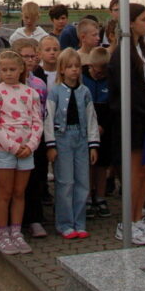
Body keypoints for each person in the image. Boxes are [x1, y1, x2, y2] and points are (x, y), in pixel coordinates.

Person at [108, 3, 145, 246]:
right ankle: (127, 222)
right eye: (143, 19)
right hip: (134, 118)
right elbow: (126, 91)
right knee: (133, 171)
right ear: (130, 22)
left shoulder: (143, 49)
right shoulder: (122, 53)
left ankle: (138, 217)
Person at [0, 50, 43, 255]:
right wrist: (12, 146)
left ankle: (17, 230)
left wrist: (31, 145)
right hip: (4, 150)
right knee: (5, 193)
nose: (8, 73)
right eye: (4, 70)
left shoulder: (31, 93)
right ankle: (2, 233)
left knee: (20, 193)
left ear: (21, 70)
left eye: (12, 69)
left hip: (27, 150)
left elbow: (37, 121)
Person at [45, 49, 100, 239]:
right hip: (63, 138)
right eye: (69, 67)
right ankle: (64, 223)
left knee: (82, 182)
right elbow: (49, 118)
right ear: (61, 70)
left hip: (81, 138)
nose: (74, 70)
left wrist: (93, 144)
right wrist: (50, 145)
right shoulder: (55, 92)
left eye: (77, 66)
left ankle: (80, 221)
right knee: (65, 182)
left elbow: (91, 118)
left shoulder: (85, 92)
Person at [12, 38, 48, 238]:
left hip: (34, 140)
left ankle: (34, 219)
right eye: (25, 56)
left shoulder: (39, 84)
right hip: (11, 142)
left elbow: (42, 113)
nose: (30, 60)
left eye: (33, 56)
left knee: (34, 180)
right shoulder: (2, 82)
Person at [82, 47, 112, 217]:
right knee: (87, 163)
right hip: (86, 127)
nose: (98, 75)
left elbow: (113, 106)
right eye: (95, 71)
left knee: (102, 164)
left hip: (104, 127)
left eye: (102, 73)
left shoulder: (111, 80)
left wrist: (104, 126)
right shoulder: (82, 77)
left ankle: (100, 197)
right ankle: (86, 197)